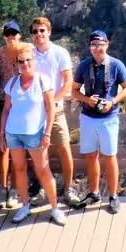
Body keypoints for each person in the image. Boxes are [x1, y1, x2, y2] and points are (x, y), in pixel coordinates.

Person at [0, 42, 67, 225]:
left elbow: (50, 108)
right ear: (17, 64)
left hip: (35, 134)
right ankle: (24, 206)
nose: (25, 64)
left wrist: (46, 134)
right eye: (21, 61)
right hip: (13, 134)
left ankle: (54, 208)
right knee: (19, 170)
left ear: (34, 60)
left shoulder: (42, 80)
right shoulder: (12, 82)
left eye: (28, 60)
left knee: (43, 170)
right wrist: (2, 135)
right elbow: (6, 110)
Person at [71, 29, 126, 215]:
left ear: (107, 44)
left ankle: (113, 196)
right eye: (94, 45)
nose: (97, 48)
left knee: (110, 157)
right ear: (90, 47)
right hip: (88, 117)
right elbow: (74, 91)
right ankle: (94, 193)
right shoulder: (83, 66)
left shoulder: (116, 65)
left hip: (109, 118)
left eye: (100, 44)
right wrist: (88, 100)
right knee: (91, 156)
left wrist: (111, 102)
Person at [26, 16, 79, 206]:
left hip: (56, 111)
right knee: (41, 152)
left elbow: (68, 82)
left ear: (49, 31)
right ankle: (43, 189)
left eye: (42, 30)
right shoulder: (28, 53)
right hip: (35, 112)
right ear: (31, 35)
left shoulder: (60, 53)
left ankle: (68, 188)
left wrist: (54, 101)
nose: (39, 34)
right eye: (35, 31)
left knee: (64, 148)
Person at [0, 21, 23, 209]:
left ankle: (17, 191)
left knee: (19, 148)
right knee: (3, 148)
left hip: (23, 104)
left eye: (14, 33)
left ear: (19, 35)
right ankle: (3, 189)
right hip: (4, 103)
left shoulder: (27, 50)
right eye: (8, 33)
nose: (11, 36)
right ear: (4, 36)